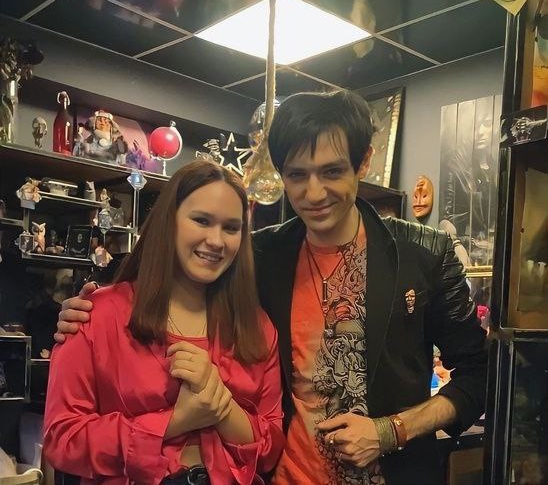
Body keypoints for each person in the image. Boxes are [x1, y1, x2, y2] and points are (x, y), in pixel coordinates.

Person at [56, 90, 488, 485]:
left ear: (364, 163)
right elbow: (175, 288)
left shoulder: (424, 253)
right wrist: (88, 313)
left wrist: (391, 431)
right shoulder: (258, 256)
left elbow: (480, 375)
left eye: (332, 171)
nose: (314, 192)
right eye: (297, 174)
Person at [45, 161, 284, 485]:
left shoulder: (256, 327)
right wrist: (177, 420)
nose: (216, 241)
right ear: (168, 221)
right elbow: (62, 440)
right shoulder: (97, 315)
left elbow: (271, 448)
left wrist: (224, 409)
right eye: (201, 220)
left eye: (231, 228)